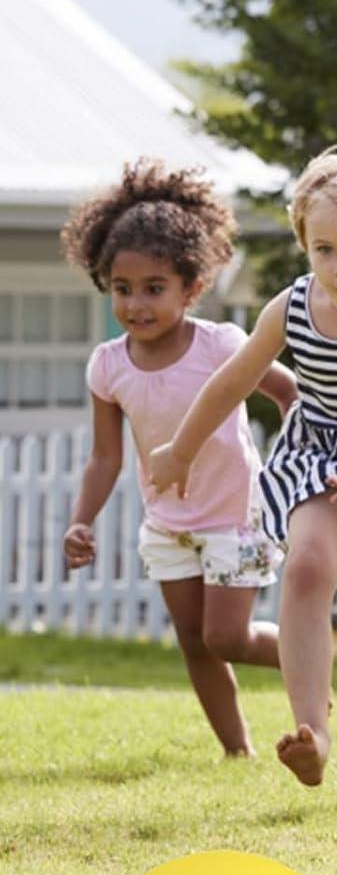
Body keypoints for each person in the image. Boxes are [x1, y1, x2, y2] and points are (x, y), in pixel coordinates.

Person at [148, 146, 337, 797]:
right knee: (308, 567)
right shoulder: (291, 307)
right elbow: (232, 381)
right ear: (305, 244)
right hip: (324, 453)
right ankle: (312, 733)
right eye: (325, 250)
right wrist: (181, 449)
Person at [61, 159, 295, 758]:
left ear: (191, 288)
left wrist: (302, 457)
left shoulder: (221, 345)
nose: (135, 304)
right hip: (167, 522)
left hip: (236, 517)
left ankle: (309, 658)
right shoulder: (108, 366)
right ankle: (236, 752)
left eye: (153, 288)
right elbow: (104, 458)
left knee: (227, 637)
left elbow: (287, 393)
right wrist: (81, 521)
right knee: (195, 641)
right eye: (122, 288)